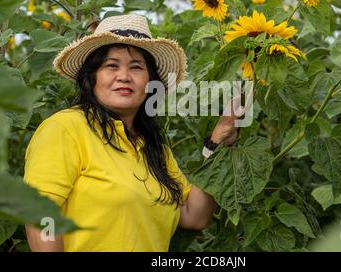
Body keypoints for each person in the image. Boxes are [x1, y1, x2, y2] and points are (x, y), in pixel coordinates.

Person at [23, 14, 241, 252]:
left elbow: (194, 215)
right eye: (111, 66)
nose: (124, 76)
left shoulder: (153, 148)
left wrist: (218, 140)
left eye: (136, 67)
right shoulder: (67, 128)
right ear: (92, 76)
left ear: (151, 82)